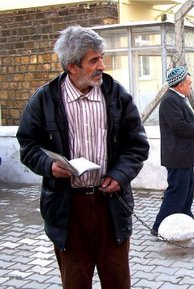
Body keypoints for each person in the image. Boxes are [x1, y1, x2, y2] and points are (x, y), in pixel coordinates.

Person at [16, 25, 149, 289]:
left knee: (118, 282)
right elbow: (28, 145)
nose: (102, 65)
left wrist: (119, 175)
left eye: (102, 57)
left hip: (110, 205)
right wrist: (49, 166)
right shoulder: (45, 100)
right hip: (68, 210)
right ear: (72, 67)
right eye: (94, 60)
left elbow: (136, 145)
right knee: (75, 282)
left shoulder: (117, 95)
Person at [151, 66, 194, 236]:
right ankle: (159, 225)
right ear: (180, 85)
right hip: (177, 154)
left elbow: (186, 122)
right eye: (189, 84)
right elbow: (179, 126)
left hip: (184, 154)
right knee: (177, 190)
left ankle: (186, 219)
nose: (191, 87)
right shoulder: (170, 100)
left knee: (187, 189)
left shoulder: (178, 98)